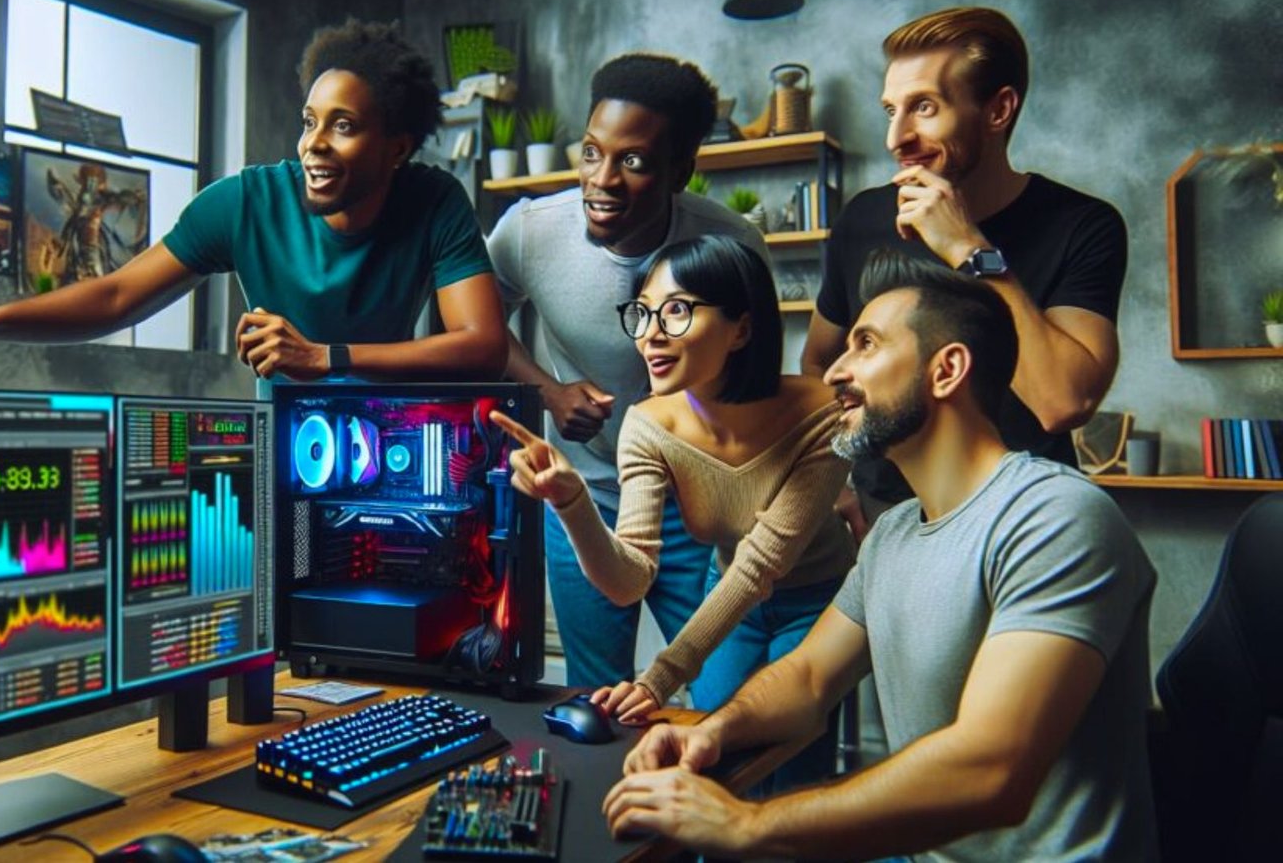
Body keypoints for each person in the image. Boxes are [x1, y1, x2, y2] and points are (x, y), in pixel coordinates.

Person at [606, 255, 1157, 861]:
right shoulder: (891, 535)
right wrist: (711, 731)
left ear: (946, 370)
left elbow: (991, 772)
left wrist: (746, 823)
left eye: (865, 346)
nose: (836, 370)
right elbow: (809, 678)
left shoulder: (1054, 519)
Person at [0, 19, 506, 385]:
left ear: (396, 147)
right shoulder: (244, 203)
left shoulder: (433, 200)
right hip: (286, 455)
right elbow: (115, 296)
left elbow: (481, 345)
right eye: (309, 121)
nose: (315, 145)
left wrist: (323, 355)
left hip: (399, 444)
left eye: (344, 126)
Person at [491, 234, 854, 792]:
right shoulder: (647, 424)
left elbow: (761, 565)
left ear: (743, 329)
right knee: (711, 762)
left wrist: (661, 676)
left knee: (791, 772)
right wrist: (571, 500)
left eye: (678, 311)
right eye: (643, 313)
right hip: (729, 593)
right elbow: (629, 578)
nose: (650, 333)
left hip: (818, 601)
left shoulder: (821, 414)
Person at [487, 53, 774, 711]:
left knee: (727, 697)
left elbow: (759, 383)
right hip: (584, 499)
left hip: (697, 507)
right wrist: (548, 393)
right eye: (592, 153)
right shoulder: (530, 233)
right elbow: (475, 326)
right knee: (595, 699)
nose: (602, 180)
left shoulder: (729, 243)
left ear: (681, 171)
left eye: (634, 162)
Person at [800, 6, 1127, 522]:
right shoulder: (863, 217)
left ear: (998, 110)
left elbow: (1062, 402)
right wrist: (830, 483)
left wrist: (969, 248)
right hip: (883, 516)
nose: (896, 139)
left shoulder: (1083, 224)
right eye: (892, 110)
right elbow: (820, 365)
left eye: (924, 107)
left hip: (1020, 516)